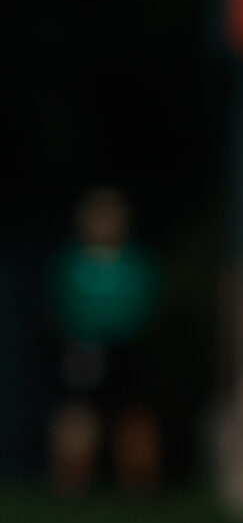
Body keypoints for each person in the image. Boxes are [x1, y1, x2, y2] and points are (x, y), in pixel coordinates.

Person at [49, 188, 161, 495]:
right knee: (77, 414)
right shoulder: (71, 262)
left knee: (132, 413)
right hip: (84, 349)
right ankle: (73, 478)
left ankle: (137, 479)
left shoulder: (136, 261)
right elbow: (61, 305)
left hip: (128, 348)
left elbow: (146, 302)